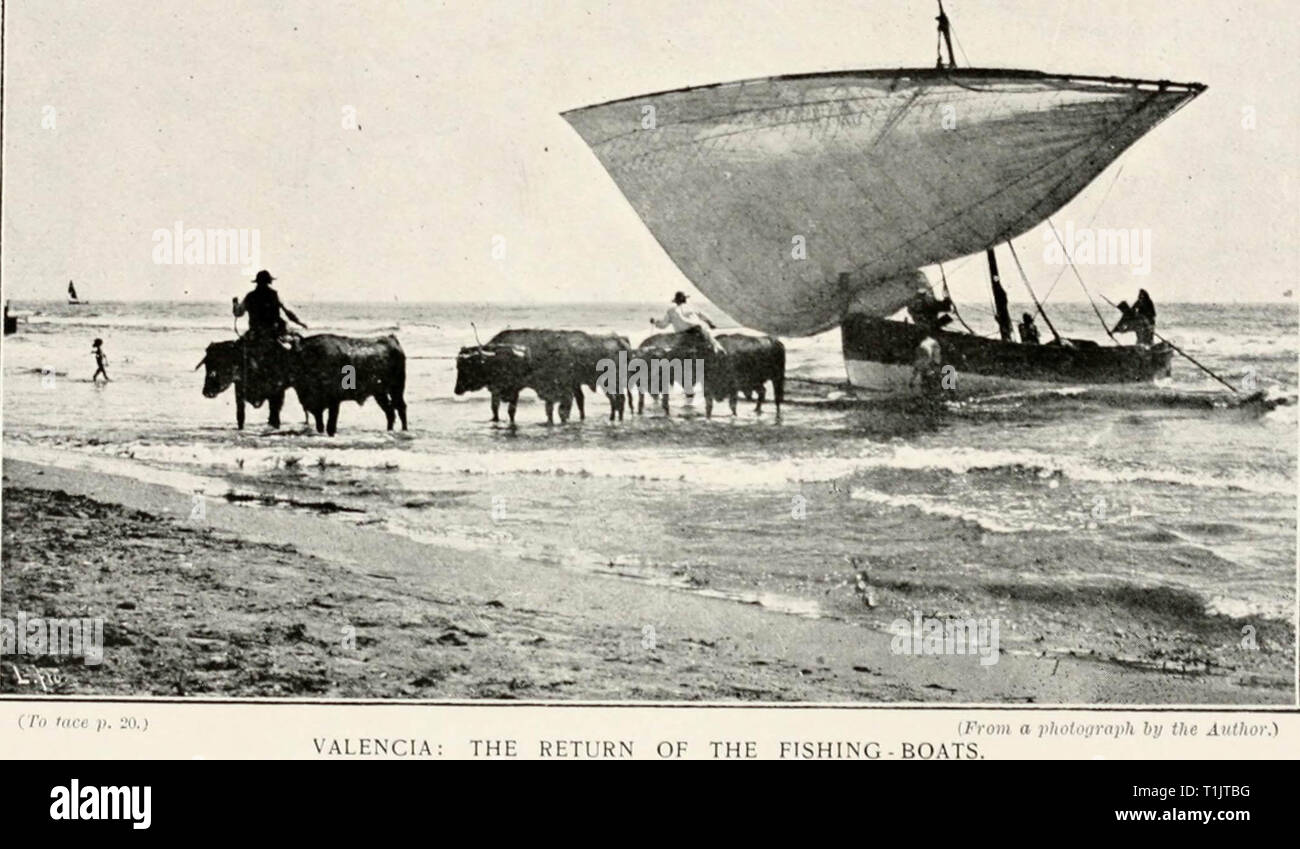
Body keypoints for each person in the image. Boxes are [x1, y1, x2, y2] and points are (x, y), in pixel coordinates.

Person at [233, 270, 308, 344]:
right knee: (296, 338)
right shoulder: (275, 295)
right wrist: (300, 323)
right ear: (269, 282)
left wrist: (235, 304)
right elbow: (288, 313)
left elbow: (238, 313)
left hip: (255, 332)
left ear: (257, 282)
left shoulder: (249, 296)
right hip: (274, 331)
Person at [651, 291, 724, 354]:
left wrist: (655, 322)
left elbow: (663, 325)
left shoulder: (671, 311)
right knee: (712, 340)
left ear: (676, 301)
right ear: (685, 300)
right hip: (697, 332)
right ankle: (720, 350)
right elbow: (704, 316)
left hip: (681, 335)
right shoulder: (691, 307)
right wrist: (711, 324)